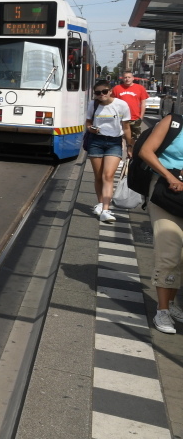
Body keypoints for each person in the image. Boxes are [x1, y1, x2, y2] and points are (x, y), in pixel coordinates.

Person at [137, 113, 183, 334]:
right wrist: (170, 176)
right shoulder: (174, 122)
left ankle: (172, 304)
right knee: (169, 249)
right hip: (167, 191)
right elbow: (146, 151)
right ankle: (162, 310)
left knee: (181, 256)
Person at [85, 79, 133, 223]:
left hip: (114, 142)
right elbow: (88, 122)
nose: (101, 95)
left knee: (108, 175)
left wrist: (130, 145)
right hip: (96, 142)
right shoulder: (93, 105)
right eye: (98, 93)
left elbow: (126, 127)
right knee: (98, 176)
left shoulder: (121, 105)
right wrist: (90, 128)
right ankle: (100, 203)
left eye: (104, 92)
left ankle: (106, 209)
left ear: (110, 91)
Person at [113, 72, 149, 139]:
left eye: (129, 77)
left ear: (133, 78)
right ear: (123, 79)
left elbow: (143, 103)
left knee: (133, 138)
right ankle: (123, 148)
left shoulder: (140, 88)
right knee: (120, 137)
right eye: (125, 77)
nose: (127, 79)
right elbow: (112, 102)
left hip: (135, 118)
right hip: (120, 117)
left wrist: (141, 117)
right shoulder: (117, 88)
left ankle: (130, 149)